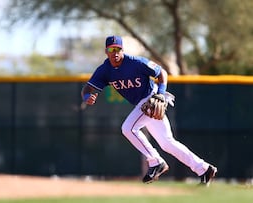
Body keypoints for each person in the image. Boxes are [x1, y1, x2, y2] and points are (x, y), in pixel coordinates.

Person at [81, 35, 217, 185]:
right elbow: (88, 87)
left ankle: (156, 162)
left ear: (122, 50)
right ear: (106, 51)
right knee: (167, 143)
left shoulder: (135, 62)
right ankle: (204, 169)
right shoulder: (104, 70)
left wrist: (160, 94)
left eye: (118, 49)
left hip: (150, 99)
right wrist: (87, 96)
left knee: (128, 128)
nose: (115, 52)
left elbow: (162, 73)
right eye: (111, 49)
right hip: (143, 105)